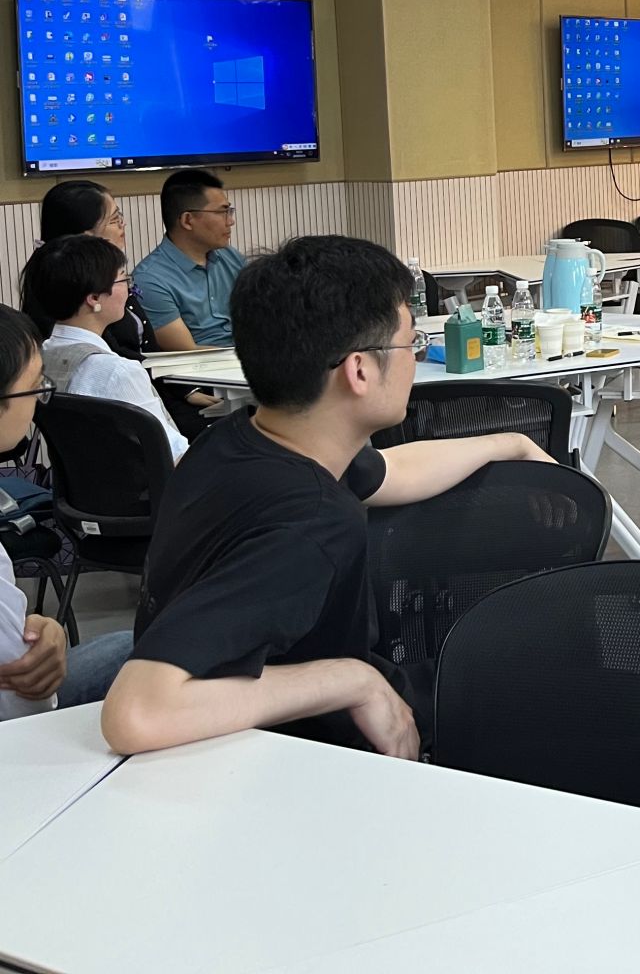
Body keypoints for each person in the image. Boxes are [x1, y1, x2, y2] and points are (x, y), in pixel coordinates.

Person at [99, 236, 552, 758]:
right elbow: (137, 712)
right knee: (570, 680)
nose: (415, 358)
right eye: (411, 344)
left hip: (282, 720)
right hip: (319, 751)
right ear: (359, 370)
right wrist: (352, 681)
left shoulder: (241, 441)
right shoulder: (312, 520)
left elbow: (392, 472)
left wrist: (508, 443)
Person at [0, 305, 132, 720]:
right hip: (22, 732)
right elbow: (24, 703)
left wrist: (41, 627)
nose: (38, 402)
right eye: (33, 387)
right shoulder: (116, 371)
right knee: (153, 653)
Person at [23, 237, 186, 462]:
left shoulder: (38, 358)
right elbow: (172, 455)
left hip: (77, 483)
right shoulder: (117, 372)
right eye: (123, 279)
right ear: (94, 298)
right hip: (150, 483)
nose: (129, 288)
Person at [131, 169, 245, 350]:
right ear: (187, 220)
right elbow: (188, 352)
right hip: (206, 365)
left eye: (229, 211)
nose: (230, 221)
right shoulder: (149, 280)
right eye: (222, 212)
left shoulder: (229, 256)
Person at [36, 179, 148, 357]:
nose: (123, 224)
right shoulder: (70, 283)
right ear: (85, 237)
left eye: (120, 216)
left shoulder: (105, 271)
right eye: (114, 220)